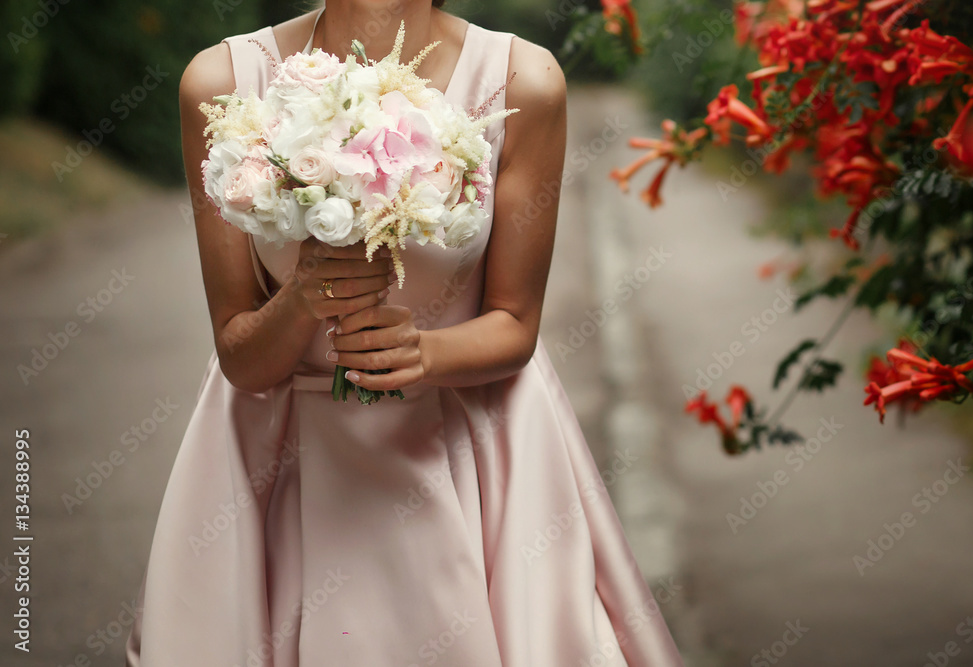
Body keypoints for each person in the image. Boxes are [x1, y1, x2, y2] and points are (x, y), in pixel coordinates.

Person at [125, 1, 686, 665]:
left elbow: (516, 322)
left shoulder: (523, 82)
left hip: (470, 455)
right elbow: (239, 351)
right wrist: (304, 296)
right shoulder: (220, 83)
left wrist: (420, 352)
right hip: (281, 467)